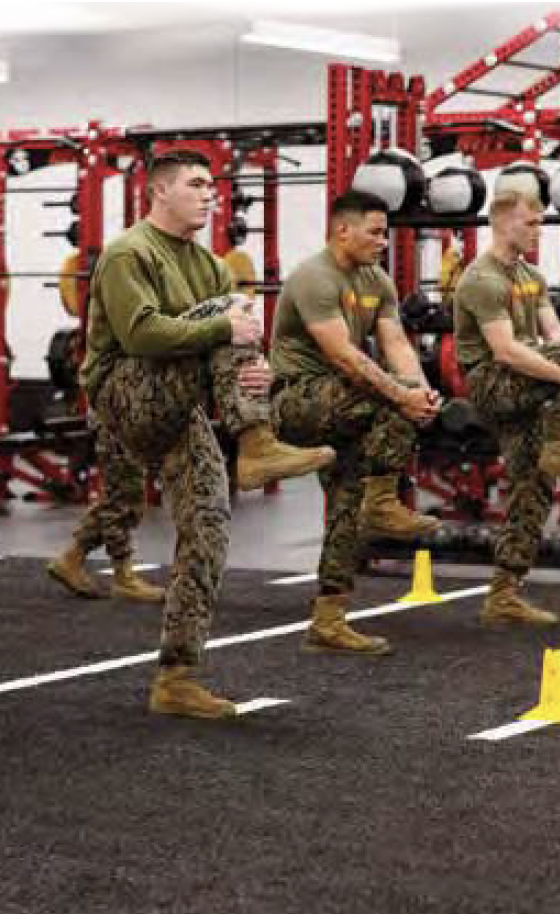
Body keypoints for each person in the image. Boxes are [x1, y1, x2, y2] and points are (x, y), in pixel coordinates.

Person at [63, 150, 335, 719]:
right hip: (124, 395)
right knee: (233, 308)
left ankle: (177, 677)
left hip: (178, 407)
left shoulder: (210, 264)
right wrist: (227, 327)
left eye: (213, 185)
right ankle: (256, 442)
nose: (210, 194)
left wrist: (254, 373)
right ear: (159, 192)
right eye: (196, 184)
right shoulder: (127, 253)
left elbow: (217, 349)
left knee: (210, 527)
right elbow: (139, 335)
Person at [270, 190, 442, 655]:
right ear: (342, 229)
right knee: (389, 399)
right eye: (375, 232)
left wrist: (421, 391)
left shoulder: (377, 281)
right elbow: (344, 356)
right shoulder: (314, 277)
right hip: (299, 399)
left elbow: (398, 345)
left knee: (345, 507)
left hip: (345, 407)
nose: (383, 241)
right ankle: (383, 498)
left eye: (385, 233)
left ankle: (329, 619)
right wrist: (401, 397)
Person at [454, 189, 560, 625]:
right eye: (530, 223)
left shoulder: (531, 276)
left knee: (533, 486)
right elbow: (504, 351)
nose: (538, 230)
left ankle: (504, 593)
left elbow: (556, 335)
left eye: (540, 222)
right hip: (493, 384)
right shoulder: (482, 279)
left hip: (527, 382)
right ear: (503, 224)